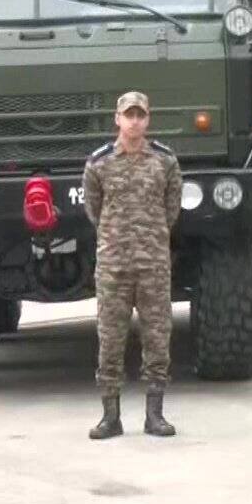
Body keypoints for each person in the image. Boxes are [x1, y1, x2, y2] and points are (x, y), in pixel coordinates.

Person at [82, 91, 182, 438]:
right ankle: (110, 417)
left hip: (153, 265)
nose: (135, 121)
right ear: (118, 119)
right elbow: (94, 210)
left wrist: (150, 239)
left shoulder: (165, 162)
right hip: (113, 266)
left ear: (148, 119)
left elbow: (172, 210)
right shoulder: (99, 164)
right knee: (110, 341)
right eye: (129, 115)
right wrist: (118, 240)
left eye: (141, 115)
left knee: (157, 339)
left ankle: (155, 415)